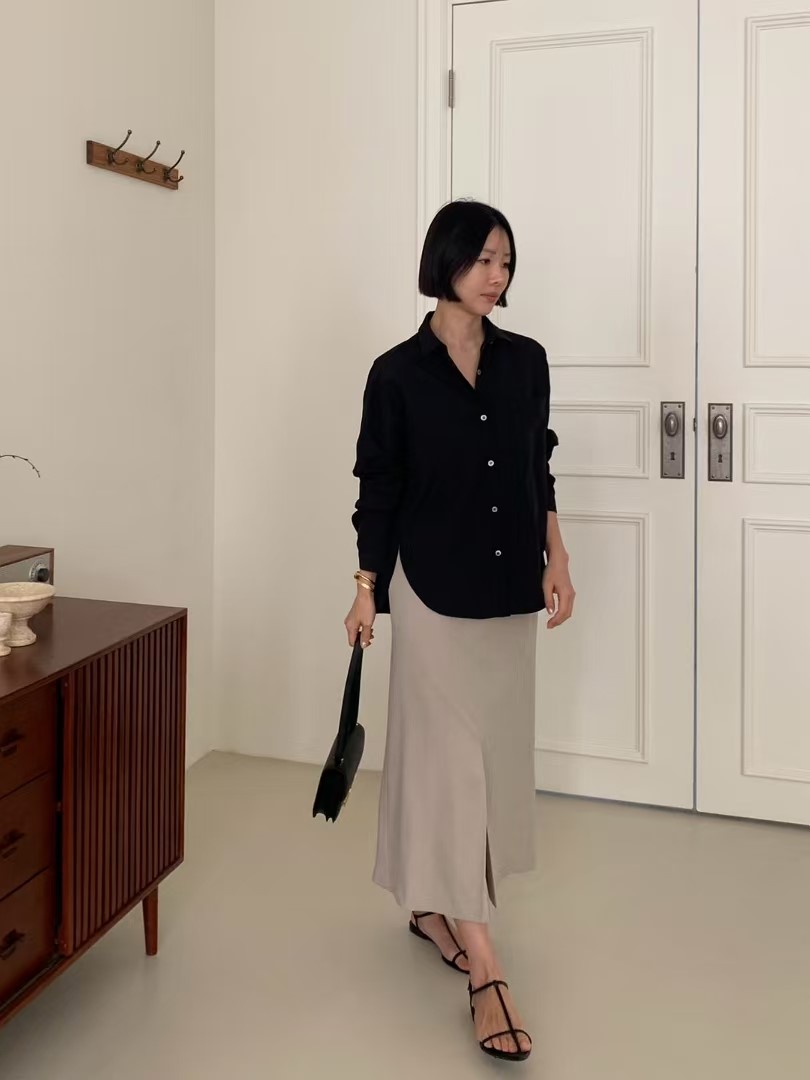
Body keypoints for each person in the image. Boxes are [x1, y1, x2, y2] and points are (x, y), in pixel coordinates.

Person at [345, 199, 575, 1063]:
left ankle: (432, 907)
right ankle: (486, 967)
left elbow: (536, 465)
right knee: (450, 770)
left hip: (509, 585)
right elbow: (378, 487)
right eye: (482, 258)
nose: (495, 275)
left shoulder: (526, 362)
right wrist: (366, 589)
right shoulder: (396, 374)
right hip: (431, 587)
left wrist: (557, 555)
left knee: (491, 763)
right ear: (444, 260)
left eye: (505, 261)